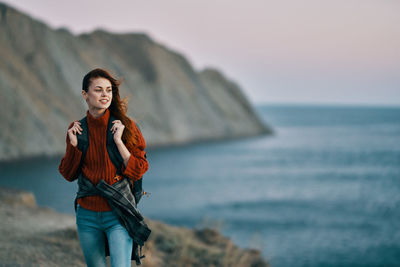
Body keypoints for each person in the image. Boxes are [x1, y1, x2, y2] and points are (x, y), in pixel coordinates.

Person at [58, 68, 149, 267]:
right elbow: (68, 174)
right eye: (98, 90)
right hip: (87, 215)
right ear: (85, 95)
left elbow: (139, 168)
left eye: (108, 90)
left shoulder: (127, 126)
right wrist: (73, 146)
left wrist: (119, 142)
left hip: (118, 213)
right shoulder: (76, 129)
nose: (105, 94)